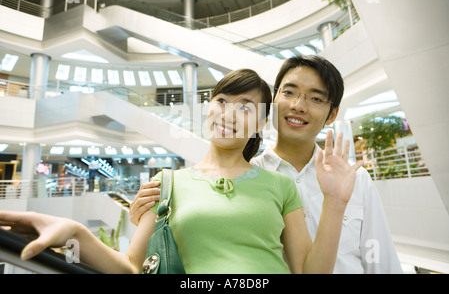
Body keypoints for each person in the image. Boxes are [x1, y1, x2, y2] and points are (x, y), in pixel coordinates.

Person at [0, 69, 362, 274]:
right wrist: (76, 232)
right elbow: (131, 268)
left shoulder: (280, 186)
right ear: (208, 108)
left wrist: (335, 202)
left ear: (260, 125)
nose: (229, 114)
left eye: (246, 107)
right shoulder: (167, 184)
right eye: (222, 101)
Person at [131, 56, 403, 274]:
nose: (298, 105)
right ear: (272, 103)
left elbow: (384, 265)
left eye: (315, 98)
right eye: (289, 92)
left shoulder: (355, 180)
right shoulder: (246, 180)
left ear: (332, 114)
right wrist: (151, 218)